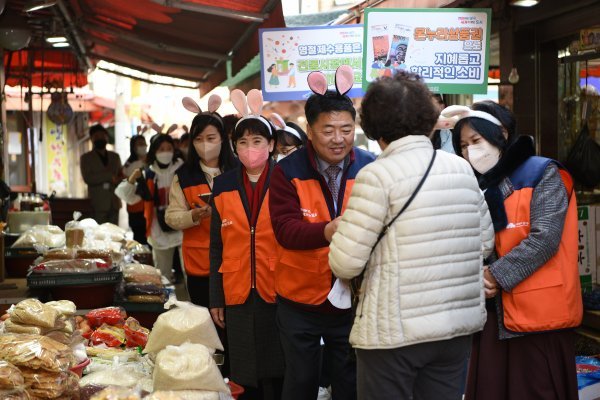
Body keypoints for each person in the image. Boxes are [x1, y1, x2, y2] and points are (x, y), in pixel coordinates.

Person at [326, 72, 493, 400]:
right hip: (455, 328)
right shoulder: (460, 168)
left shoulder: (376, 175)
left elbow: (345, 264)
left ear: (374, 125)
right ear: (427, 118)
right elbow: (485, 241)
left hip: (394, 334)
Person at [446, 101, 583, 400]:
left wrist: (494, 275)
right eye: (463, 145)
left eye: (476, 141)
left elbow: (544, 239)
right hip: (494, 316)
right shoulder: (477, 184)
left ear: (502, 134)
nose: (470, 152)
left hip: (539, 315)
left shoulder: (544, 172)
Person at [269, 69, 375, 400]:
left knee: (350, 382)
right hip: (300, 298)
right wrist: (327, 230)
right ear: (309, 131)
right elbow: (285, 230)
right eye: (327, 130)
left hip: (355, 299)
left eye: (346, 129)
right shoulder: (287, 171)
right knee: (300, 381)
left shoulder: (371, 167)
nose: (338, 138)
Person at [209, 89, 284, 399]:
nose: (250, 148)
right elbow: (216, 245)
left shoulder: (285, 180)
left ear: (270, 145)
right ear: (234, 147)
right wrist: (216, 297)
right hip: (236, 288)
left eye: (257, 141)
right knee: (243, 370)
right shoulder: (224, 183)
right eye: (242, 142)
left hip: (277, 287)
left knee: (277, 368)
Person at [166, 98, 236, 307]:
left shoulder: (238, 171)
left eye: (211, 137)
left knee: (234, 322)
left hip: (236, 258)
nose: (205, 144)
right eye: (198, 138)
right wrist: (193, 216)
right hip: (200, 260)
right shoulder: (184, 176)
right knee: (205, 320)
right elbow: (171, 216)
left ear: (223, 138)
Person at [116, 134, 184, 279]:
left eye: (169, 148)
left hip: (184, 227)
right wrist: (132, 178)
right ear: (154, 151)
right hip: (158, 228)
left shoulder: (182, 169)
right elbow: (129, 197)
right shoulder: (149, 173)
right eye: (161, 149)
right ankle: (166, 301)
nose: (166, 152)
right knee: (162, 273)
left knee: (189, 271)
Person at [80, 124, 123, 224]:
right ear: (91, 139)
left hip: (114, 202)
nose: (100, 139)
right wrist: (109, 176)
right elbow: (88, 178)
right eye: (96, 137)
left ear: (106, 137)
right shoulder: (86, 158)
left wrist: (119, 179)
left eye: (102, 136)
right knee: (99, 234)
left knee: (115, 234)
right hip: (97, 203)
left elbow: (121, 175)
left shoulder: (115, 156)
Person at [122, 135, 148, 244]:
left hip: (148, 205)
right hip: (135, 205)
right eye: (139, 144)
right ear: (133, 146)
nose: (143, 146)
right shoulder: (129, 164)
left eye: (144, 143)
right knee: (139, 236)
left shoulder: (151, 160)